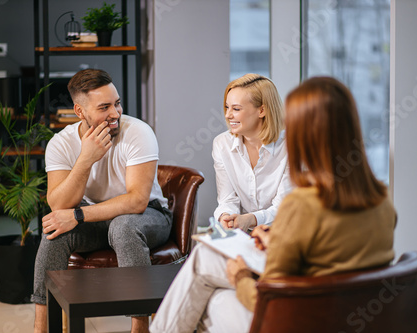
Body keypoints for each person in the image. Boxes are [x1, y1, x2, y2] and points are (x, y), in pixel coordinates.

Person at [149, 76, 396, 333]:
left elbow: (273, 299)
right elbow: (326, 255)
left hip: (300, 321)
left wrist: (242, 277)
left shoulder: (303, 204)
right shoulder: (381, 202)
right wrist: (280, 240)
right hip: (343, 315)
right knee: (215, 299)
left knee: (205, 272)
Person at [32, 69, 172, 333]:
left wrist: (78, 216)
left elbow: (137, 201)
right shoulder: (61, 144)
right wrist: (86, 158)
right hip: (97, 220)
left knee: (123, 226)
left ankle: (140, 327)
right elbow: (59, 205)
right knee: (54, 231)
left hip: (149, 217)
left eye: (117, 104)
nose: (116, 113)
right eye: (104, 107)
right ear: (80, 111)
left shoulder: (139, 133)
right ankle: (42, 328)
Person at [212, 73, 292, 231]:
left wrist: (251, 219)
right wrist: (227, 217)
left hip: (285, 232)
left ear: (262, 110)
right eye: (227, 107)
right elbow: (227, 199)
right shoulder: (222, 144)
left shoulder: (291, 146)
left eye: (236, 109)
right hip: (243, 232)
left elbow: (285, 208)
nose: (228, 115)